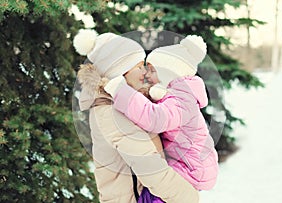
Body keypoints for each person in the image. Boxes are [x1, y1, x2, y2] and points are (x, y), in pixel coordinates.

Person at [73, 29, 200, 203]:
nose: (145, 72)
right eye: (139, 66)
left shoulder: (128, 104)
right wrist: (188, 197)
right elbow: (149, 167)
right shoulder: (110, 112)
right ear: (121, 73)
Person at [104, 35, 219, 202]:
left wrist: (120, 90)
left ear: (168, 72)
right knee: (151, 190)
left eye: (152, 70)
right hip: (190, 163)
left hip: (193, 168)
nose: (146, 75)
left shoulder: (182, 99)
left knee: (155, 193)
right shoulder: (178, 94)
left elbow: (155, 118)